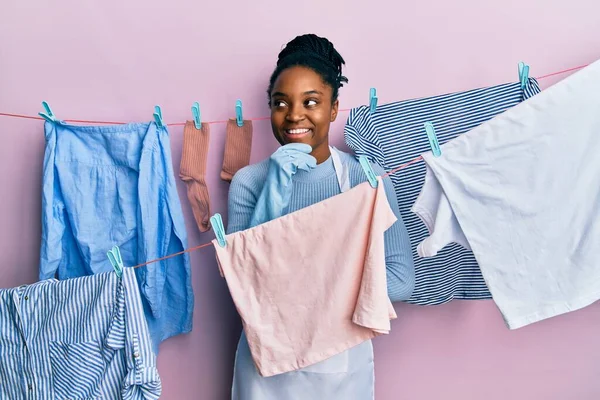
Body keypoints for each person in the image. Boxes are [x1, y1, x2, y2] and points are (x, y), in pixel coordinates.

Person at [226, 33, 415, 400]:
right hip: (266, 373)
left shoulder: (367, 179)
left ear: (333, 108)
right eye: (281, 103)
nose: (294, 115)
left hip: (339, 368)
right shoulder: (249, 183)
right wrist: (274, 189)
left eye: (310, 101)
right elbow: (244, 285)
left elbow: (401, 277)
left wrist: (317, 303)